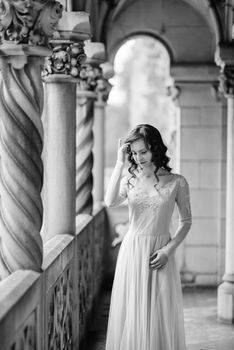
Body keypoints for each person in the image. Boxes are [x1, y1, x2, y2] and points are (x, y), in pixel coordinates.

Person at [104, 124, 192, 350]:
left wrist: (168, 250)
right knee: (133, 310)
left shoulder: (177, 182)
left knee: (159, 311)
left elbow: (186, 222)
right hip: (132, 250)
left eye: (143, 151)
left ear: (155, 148)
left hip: (160, 251)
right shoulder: (129, 180)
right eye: (134, 152)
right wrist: (119, 164)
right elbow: (109, 201)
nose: (138, 157)